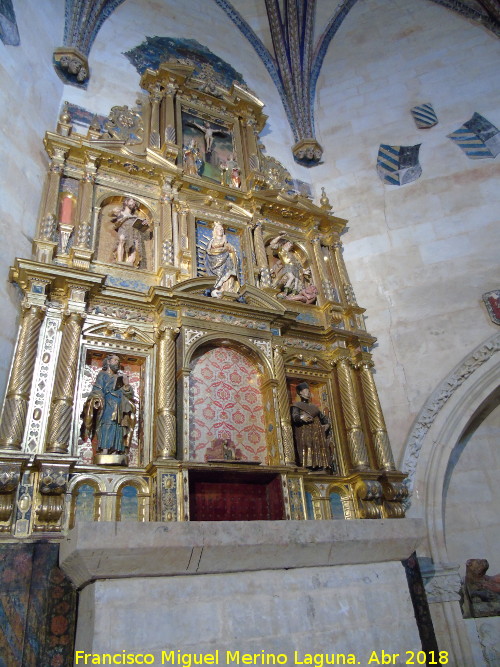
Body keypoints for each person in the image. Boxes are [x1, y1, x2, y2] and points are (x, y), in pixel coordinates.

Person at [81, 354, 136, 456]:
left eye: (118, 361)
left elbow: (129, 394)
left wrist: (126, 384)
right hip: (107, 404)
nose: (117, 362)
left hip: (120, 406)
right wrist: (97, 399)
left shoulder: (119, 377)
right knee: (107, 425)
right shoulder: (102, 375)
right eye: (115, 360)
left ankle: (116, 450)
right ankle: (105, 449)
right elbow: (97, 390)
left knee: (118, 427)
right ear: (108, 362)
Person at [291, 382, 334, 471]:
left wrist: (327, 425)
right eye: (305, 391)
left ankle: (320, 465)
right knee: (307, 447)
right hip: (304, 432)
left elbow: (323, 419)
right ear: (300, 393)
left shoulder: (314, 407)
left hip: (317, 432)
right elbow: (294, 417)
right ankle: (308, 466)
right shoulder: (296, 406)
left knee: (318, 447)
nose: (308, 393)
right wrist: (301, 417)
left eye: (308, 391)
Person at [111, 197, 149, 268]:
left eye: (134, 202)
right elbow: (110, 215)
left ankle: (130, 263)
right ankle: (119, 261)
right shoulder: (121, 212)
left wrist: (144, 223)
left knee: (134, 246)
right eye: (131, 201)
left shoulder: (135, 216)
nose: (133, 203)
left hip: (133, 232)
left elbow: (140, 225)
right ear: (126, 202)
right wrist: (113, 211)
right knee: (121, 240)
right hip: (124, 229)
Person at [205, 222, 240, 297]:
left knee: (230, 272)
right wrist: (221, 247)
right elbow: (208, 251)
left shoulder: (225, 240)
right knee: (218, 276)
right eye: (218, 229)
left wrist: (230, 249)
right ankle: (218, 288)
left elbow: (231, 250)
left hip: (226, 260)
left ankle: (228, 289)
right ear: (215, 231)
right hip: (215, 261)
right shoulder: (212, 241)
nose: (220, 230)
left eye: (222, 229)